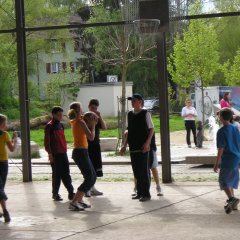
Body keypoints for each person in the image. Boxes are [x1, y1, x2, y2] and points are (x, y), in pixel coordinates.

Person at [120, 93, 154, 202]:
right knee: (136, 171)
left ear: (140, 102)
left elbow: (151, 129)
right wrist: (124, 145)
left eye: (134, 100)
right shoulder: (129, 114)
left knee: (144, 171)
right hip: (133, 146)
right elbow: (129, 131)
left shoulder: (145, 113)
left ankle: (146, 194)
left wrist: (148, 143)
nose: (132, 102)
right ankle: (139, 192)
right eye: (131, 101)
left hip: (143, 146)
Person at [68, 102, 97, 211]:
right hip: (80, 152)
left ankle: (79, 200)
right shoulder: (80, 121)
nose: (83, 109)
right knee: (89, 178)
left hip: (81, 152)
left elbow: (86, 117)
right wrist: (93, 125)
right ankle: (74, 202)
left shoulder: (77, 120)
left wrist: (92, 117)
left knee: (93, 176)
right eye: (81, 108)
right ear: (78, 110)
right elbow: (91, 137)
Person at [44, 106, 75, 201]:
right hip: (55, 154)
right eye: (59, 115)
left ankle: (71, 192)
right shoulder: (49, 126)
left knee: (66, 174)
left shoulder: (61, 125)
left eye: (61, 114)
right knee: (57, 175)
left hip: (63, 153)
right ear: (53, 114)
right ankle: (55, 194)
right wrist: (50, 154)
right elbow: (47, 142)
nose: (61, 116)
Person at [213, 108, 240, 214]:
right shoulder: (234, 127)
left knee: (223, 181)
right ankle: (233, 204)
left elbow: (221, 149)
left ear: (221, 117)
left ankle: (231, 199)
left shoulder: (221, 131)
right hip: (236, 157)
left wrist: (216, 163)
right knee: (230, 181)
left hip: (228, 159)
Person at [86, 99, 107, 197]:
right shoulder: (85, 117)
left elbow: (104, 127)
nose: (93, 110)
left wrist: (100, 116)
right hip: (86, 145)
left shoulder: (96, 117)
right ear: (89, 106)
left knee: (95, 167)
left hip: (95, 144)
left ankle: (92, 187)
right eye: (92, 108)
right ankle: (87, 189)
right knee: (88, 167)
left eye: (95, 108)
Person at [0, 114, 17, 222]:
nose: (6, 125)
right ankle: (5, 211)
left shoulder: (5, 134)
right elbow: (12, 149)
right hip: (3, 164)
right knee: (1, 187)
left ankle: (4, 211)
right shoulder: (5, 134)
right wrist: (15, 139)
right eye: (5, 123)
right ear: (1, 124)